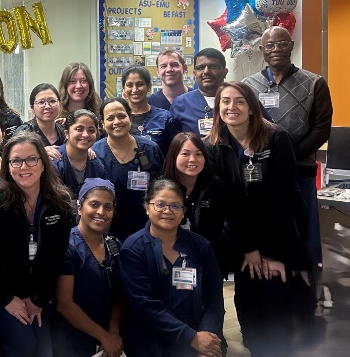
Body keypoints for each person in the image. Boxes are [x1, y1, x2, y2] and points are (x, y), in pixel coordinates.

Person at [204, 81, 310, 357]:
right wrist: (250, 248)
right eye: (225, 101)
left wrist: (273, 253)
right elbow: (227, 203)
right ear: (217, 108)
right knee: (250, 306)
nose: (232, 107)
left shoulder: (275, 138)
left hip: (279, 236)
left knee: (278, 310)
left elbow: (285, 196)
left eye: (240, 101)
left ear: (252, 107)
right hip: (240, 240)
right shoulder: (212, 146)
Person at [243, 26, 332, 296]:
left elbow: (321, 128)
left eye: (281, 43)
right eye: (269, 45)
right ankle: (272, 291)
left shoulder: (315, 83)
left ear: (291, 45)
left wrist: (288, 158)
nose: (275, 49)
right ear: (262, 50)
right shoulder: (248, 85)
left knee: (304, 231)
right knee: (267, 233)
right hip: (261, 175)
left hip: (300, 172)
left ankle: (308, 293)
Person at [0, 132, 74, 357]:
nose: (24, 167)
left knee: (44, 351)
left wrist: (38, 300)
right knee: (24, 346)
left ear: (43, 163)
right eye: (16, 161)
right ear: (8, 166)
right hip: (0, 289)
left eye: (31, 159)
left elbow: (57, 257)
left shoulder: (60, 202)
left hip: (37, 292)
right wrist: (7, 298)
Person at [119, 179, 224, 357]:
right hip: (150, 341)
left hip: (197, 336)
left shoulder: (200, 247)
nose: (168, 211)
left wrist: (208, 341)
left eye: (175, 206)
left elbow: (214, 299)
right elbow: (144, 304)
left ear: (183, 212)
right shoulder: (133, 249)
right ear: (147, 207)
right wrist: (191, 338)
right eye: (160, 204)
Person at [54, 178, 124, 357]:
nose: (101, 212)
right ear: (79, 207)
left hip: (109, 343)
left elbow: (120, 294)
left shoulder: (114, 245)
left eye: (108, 207)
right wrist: (104, 337)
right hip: (73, 342)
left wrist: (113, 333)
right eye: (94, 204)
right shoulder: (66, 246)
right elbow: (64, 304)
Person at [92, 97, 163, 242]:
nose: (117, 122)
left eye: (121, 116)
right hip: (107, 230)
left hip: (148, 228)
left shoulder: (150, 149)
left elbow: (162, 187)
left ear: (130, 118)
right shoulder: (94, 153)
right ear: (102, 124)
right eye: (110, 118)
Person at [161, 132, 230, 275]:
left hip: (209, 260)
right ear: (174, 156)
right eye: (185, 154)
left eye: (198, 154)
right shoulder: (160, 188)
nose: (192, 159)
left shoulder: (215, 185)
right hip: (170, 259)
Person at [170, 48, 270, 137]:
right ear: (194, 73)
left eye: (213, 67)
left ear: (225, 72)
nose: (206, 71)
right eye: (200, 68)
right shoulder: (181, 103)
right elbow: (174, 143)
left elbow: (268, 131)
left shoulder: (245, 98)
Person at [53, 109, 108, 207]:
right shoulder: (54, 162)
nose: (85, 135)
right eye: (79, 129)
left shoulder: (97, 166)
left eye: (91, 130)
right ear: (66, 133)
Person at [121, 66, 179, 157]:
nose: (134, 90)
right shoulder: (118, 118)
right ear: (123, 88)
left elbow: (174, 152)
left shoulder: (164, 118)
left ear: (149, 86)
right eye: (129, 85)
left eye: (140, 84)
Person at [16, 83, 65, 147]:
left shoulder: (64, 131)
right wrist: (40, 152)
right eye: (41, 102)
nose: (47, 106)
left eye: (52, 101)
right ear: (32, 108)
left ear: (59, 104)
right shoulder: (23, 132)